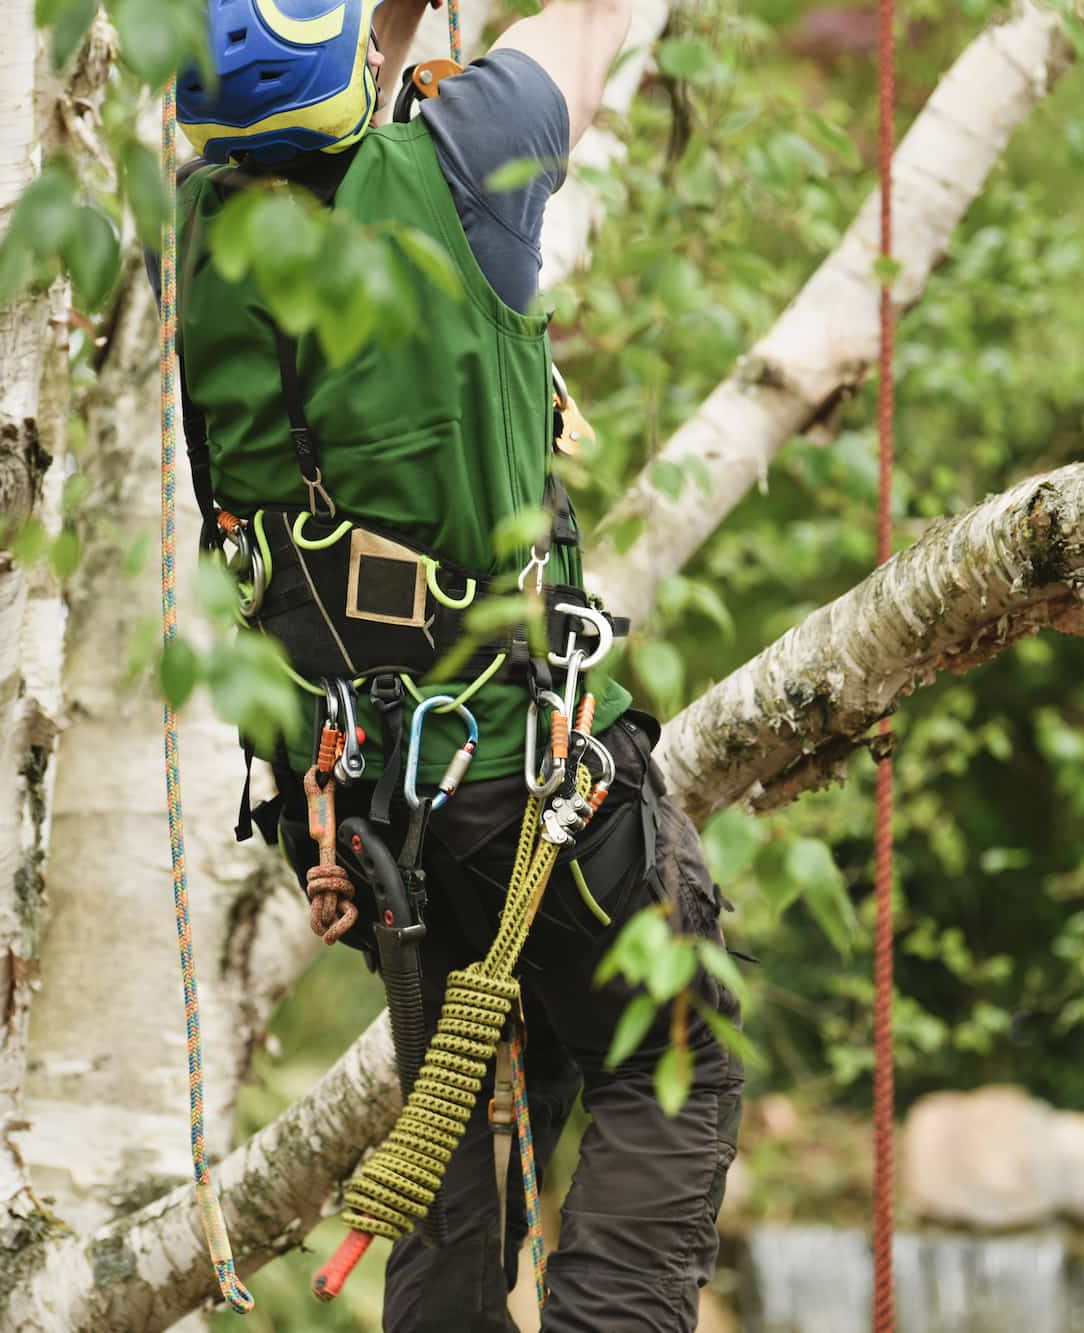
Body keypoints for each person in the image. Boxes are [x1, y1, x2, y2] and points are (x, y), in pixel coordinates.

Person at [172, 3, 743, 1329]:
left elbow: (302, 89)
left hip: (366, 814)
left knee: (464, 1127)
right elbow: (601, 19)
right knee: (674, 1061)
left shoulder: (194, 241)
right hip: (512, 778)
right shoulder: (462, 161)